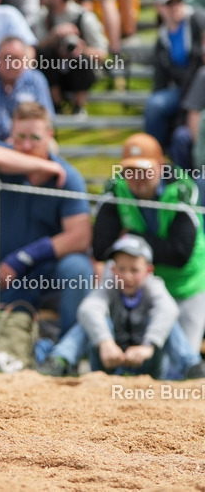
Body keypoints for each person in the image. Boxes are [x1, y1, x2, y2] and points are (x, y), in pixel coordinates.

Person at [0, 102, 93, 337]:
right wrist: (42, 164)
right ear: (11, 135)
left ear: (50, 135)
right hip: (7, 279)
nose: (26, 145)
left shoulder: (68, 177)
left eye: (35, 138)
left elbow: (81, 236)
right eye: (20, 137)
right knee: (6, 338)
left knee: (78, 268)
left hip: (48, 274)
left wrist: (23, 258)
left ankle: (67, 350)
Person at [93, 133, 205, 372]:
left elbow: (180, 254)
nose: (137, 179)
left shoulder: (183, 190)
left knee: (178, 369)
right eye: (130, 171)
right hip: (141, 285)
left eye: (144, 170)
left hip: (185, 287)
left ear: (161, 165)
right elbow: (101, 248)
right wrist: (157, 246)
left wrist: (132, 236)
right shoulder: (114, 190)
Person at [41, 235, 199, 380]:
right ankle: (59, 360)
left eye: (134, 270)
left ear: (148, 271)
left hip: (147, 365)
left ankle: (193, 367)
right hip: (109, 362)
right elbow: (88, 309)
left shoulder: (154, 286)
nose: (127, 276)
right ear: (113, 270)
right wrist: (105, 342)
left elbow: (168, 309)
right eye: (121, 269)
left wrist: (148, 345)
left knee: (167, 321)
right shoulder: (108, 285)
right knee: (89, 320)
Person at [146, 0, 205, 149]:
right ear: (159, 7)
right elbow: (160, 79)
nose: (175, 7)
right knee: (155, 104)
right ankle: (154, 153)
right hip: (182, 89)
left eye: (178, 1)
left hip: (201, 84)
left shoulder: (198, 20)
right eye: (169, 3)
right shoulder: (162, 38)